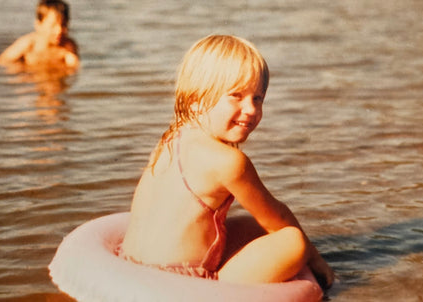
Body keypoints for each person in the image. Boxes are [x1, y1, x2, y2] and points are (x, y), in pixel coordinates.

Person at [119, 35, 334, 288]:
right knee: (294, 241)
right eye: (236, 95)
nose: (251, 109)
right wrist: (316, 259)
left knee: (251, 227)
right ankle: (220, 287)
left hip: (132, 265)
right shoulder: (230, 162)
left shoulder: (172, 137)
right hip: (180, 283)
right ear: (195, 99)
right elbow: (277, 217)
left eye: (258, 98)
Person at [0, 0, 79, 70]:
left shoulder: (68, 46)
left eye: (64, 25)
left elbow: (74, 68)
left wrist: (73, 64)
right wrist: (21, 69)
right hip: (32, 78)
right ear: (38, 25)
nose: (59, 30)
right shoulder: (29, 43)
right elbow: (3, 60)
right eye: (53, 25)